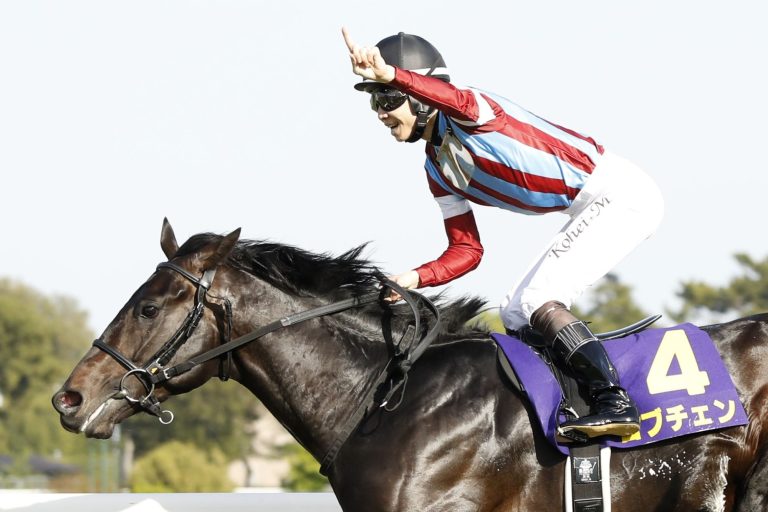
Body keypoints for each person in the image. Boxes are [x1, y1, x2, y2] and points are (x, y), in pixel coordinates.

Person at [341, 27, 664, 440]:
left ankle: (614, 402)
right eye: (374, 102)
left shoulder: (473, 110)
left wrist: (392, 75)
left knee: (535, 299)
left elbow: (452, 96)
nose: (381, 112)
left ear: (423, 97)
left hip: (622, 194)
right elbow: (467, 250)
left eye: (387, 100)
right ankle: (573, 399)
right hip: (592, 204)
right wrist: (414, 278)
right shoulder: (436, 168)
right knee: (513, 310)